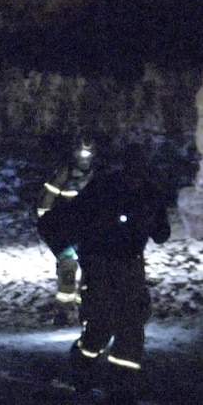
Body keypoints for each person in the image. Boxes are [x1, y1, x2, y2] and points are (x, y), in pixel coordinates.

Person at [37, 143, 171, 402]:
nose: (138, 173)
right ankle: (83, 365)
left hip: (129, 267)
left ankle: (121, 387)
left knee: (131, 331)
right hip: (101, 266)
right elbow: (71, 217)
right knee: (101, 325)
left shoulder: (147, 193)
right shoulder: (106, 188)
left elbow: (162, 234)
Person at [36, 137, 97, 326]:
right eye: (81, 154)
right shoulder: (65, 173)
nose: (84, 159)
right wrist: (46, 224)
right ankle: (63, 311)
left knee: (92, 269)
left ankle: (86, 309)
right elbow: (46, 200)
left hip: (89, 230)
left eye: (88, 155)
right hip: (66, 230)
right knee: (68, 266)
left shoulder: (98, 174)